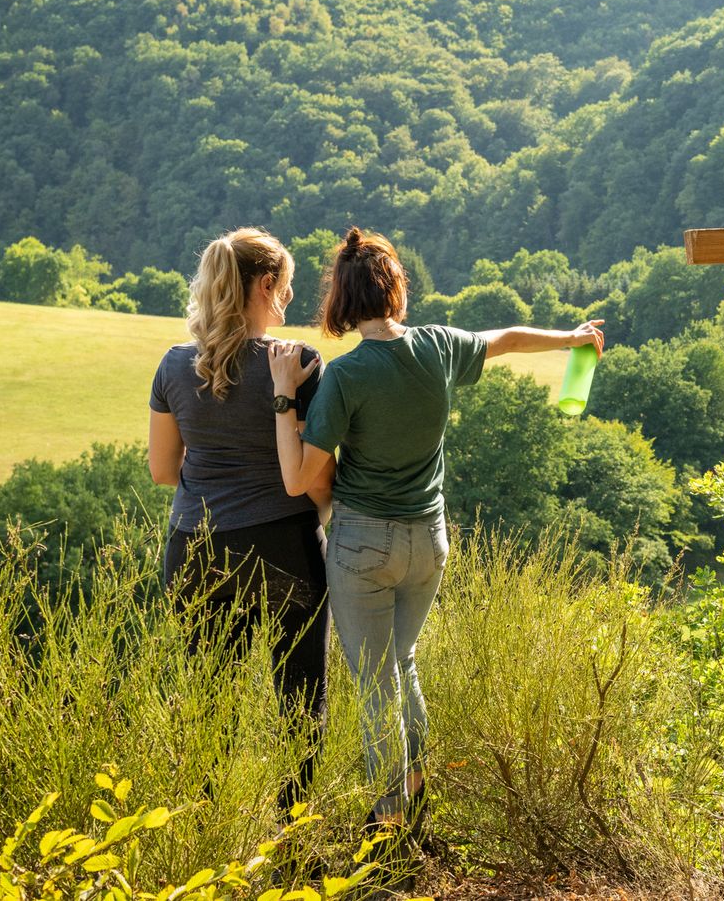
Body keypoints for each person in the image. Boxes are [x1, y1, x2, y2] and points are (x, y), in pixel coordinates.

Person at [268, 227, 603, 827]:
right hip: (429, 539)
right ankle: (415, 793)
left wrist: (282, 397)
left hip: (364, 544)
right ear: (396, 288)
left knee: (375, 685)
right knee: (403, 663)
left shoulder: (346, 377)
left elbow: (299, 481)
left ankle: (390, 823)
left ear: (341, 300)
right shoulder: (439, 346)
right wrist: (571, 339)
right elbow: (503, 339)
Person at [147, 226, 331, 807]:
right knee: (300, 702)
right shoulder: (298, 362)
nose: (291, 299)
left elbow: (161, 469)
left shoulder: (176, 366)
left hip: (195, 551)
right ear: (268, 285)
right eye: (289, 286)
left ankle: (206, 839)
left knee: (208, 705)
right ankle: (295, 845)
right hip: (283, 548)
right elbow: (314, 472)